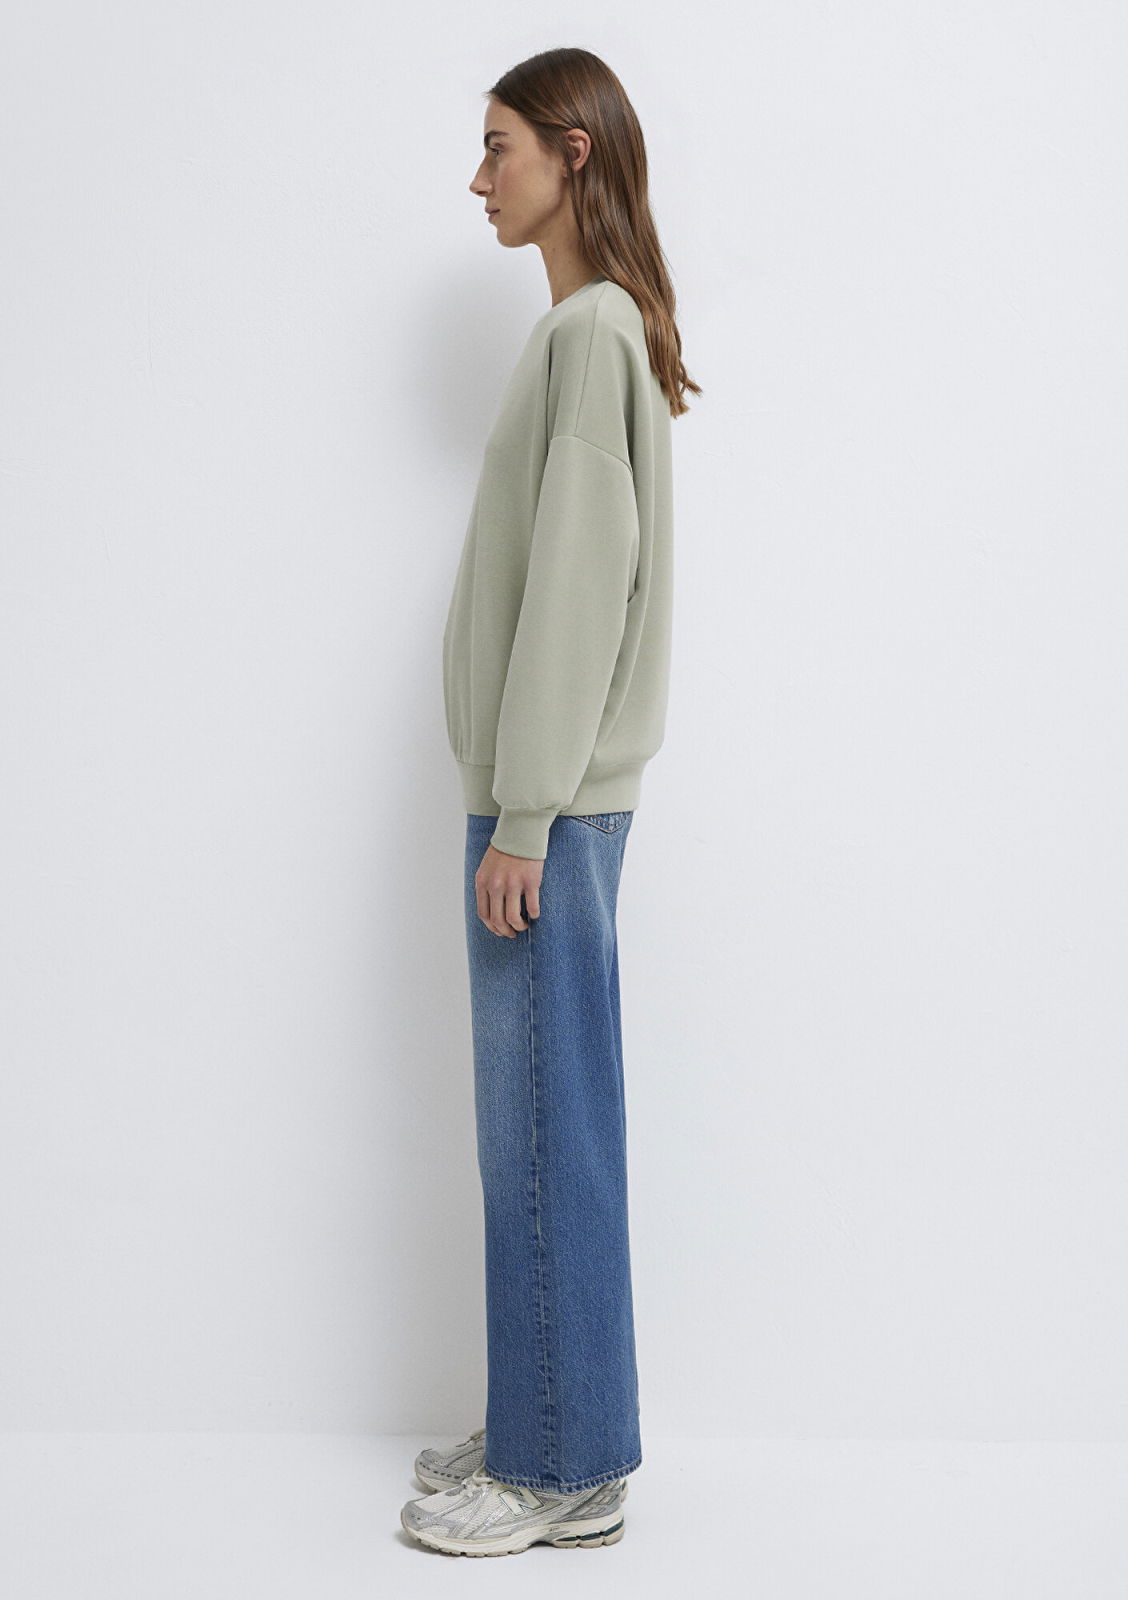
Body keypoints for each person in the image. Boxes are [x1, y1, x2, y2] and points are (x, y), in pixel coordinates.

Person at [400, 46, 700, 1558]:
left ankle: (562, 1465)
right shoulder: (599, 329)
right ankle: (550, 1416)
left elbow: (581, 586)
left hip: (549, 811)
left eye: (499, 145)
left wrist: (521, 814)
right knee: (543, 1120)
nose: (480, 178)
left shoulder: (590, 334)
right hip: (555, 802)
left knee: (539, 1126)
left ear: (573, 152)